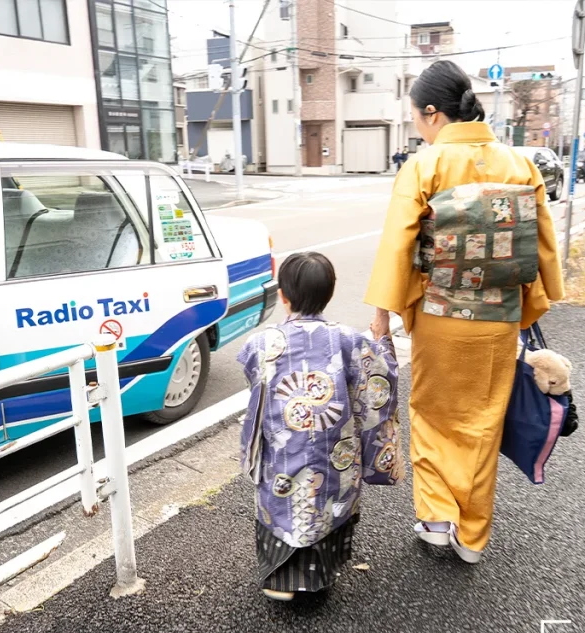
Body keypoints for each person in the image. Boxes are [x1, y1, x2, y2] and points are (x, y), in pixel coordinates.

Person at [366, 60, 564, 564]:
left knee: (433, 415)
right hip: (498, 315)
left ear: (433, 114)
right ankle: (473, 535)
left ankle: (436, 519)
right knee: (482, 419)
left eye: (414, 114)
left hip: (439, 313)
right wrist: (537, 299)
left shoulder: (425, 166)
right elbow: (540, 241)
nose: (414, 123)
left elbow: (398, 244)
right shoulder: (519, 165)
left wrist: (384, 313)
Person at [238, 252, 401, 601]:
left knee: (282, 502)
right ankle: (319, 576)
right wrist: (382, 339)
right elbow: (378, 386)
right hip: (334, 452)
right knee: (328, 500)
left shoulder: (262, 342)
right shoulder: (349, 340)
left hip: (281, 452)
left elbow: (253, 374)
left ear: (283, 296)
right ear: (329, 293)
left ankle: (279, 579)